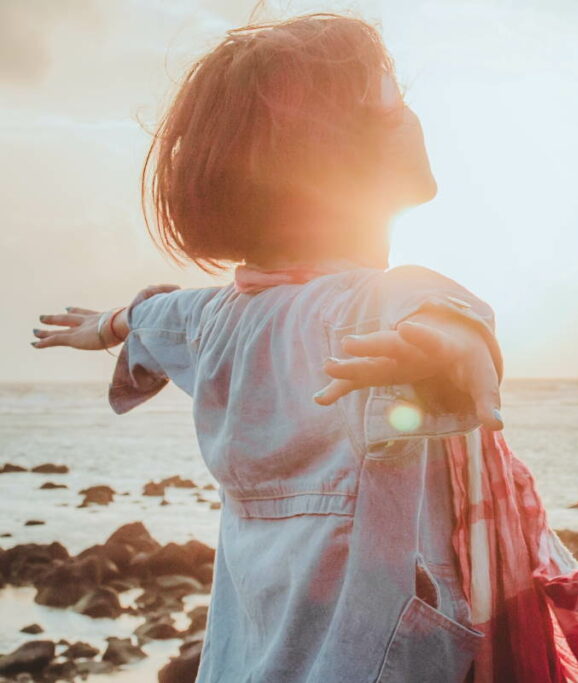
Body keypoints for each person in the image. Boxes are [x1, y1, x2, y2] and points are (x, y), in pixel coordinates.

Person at [32, 13, 509, 682]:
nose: (409, 115)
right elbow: (445, 318)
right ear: (341, 157)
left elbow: (151, 318)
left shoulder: (214, 318)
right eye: (392, 99)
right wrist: (445, 349)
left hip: (245, 659)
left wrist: (107, 324)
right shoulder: (376, 303)